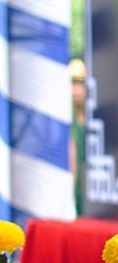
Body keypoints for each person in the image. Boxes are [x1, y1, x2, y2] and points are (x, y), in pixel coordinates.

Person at [70, 58, 87, 216]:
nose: (77, 90)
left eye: (81, 84)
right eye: (73, 84)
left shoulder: (97, 119)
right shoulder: (66, 121)